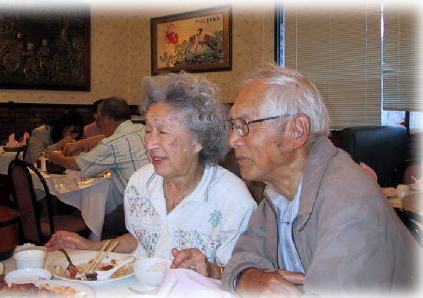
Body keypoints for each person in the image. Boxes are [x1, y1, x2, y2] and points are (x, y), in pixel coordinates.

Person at [221, 66, 420, 296]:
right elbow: (241, 257)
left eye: (245, 124)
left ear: (297, 131)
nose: (233, 139)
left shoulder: (348, 202)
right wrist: (248, 277)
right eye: (234, 126)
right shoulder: (279, 193)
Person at [45, 72, 257, 280]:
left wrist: (210, 270)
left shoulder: (233, 200)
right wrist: (90, 247)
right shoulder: (141, 182)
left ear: (199, 140)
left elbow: (245, 276)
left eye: (163, 132)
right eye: (147, 131)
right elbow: (141, 239)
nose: (151, 144)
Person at [44, 97, 149, 217]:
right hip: (156, 197)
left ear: (107, 119)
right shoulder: (141, 129)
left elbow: (78, 164)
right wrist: (79, 144)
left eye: (98, 120)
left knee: (99, 219)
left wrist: (55, 158)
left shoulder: (112, 143)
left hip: (139, 208)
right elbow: (109, 138)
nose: (98, 125)